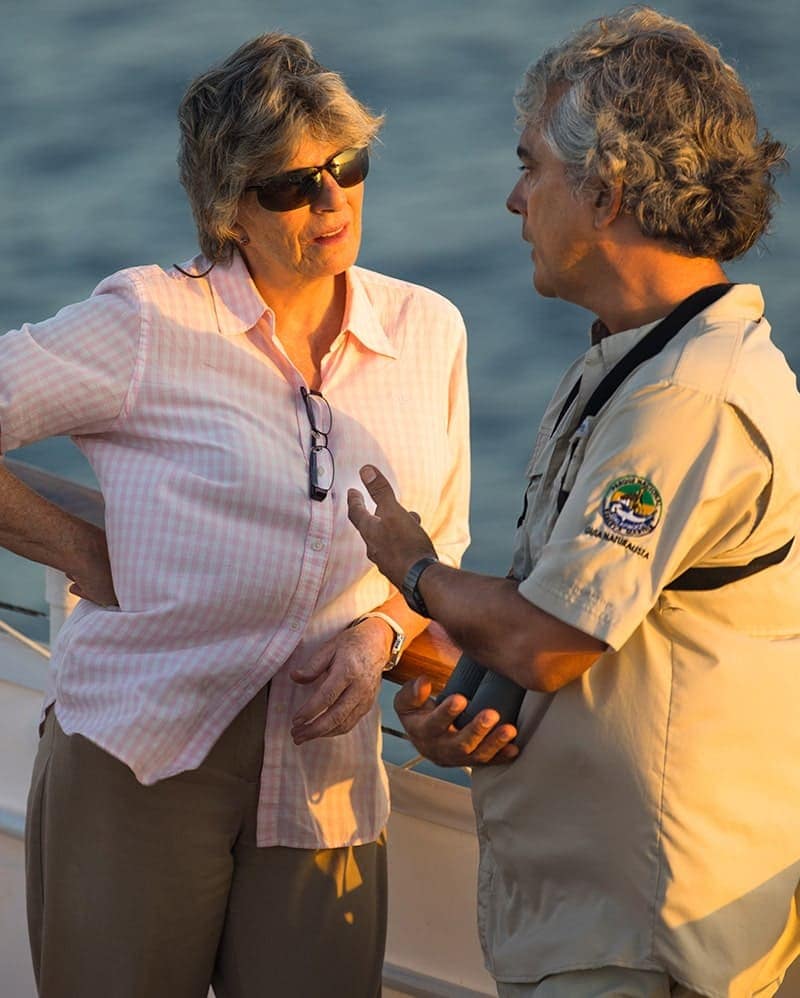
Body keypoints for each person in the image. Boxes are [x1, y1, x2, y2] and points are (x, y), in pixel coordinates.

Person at [0, 32, 470, 998]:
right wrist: (84, 549)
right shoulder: (146, 322)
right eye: (291, 186)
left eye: (347, 167)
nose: (331, 199)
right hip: (140, 754)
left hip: (324, 768)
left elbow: (444, 541)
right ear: (229, 210)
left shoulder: (429, 330)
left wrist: (382, 636)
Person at [347, 8, 800, 997]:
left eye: (529, 167)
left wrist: (412, 569)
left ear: (606, 189)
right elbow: (557, 614)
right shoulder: (627, 362)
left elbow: (550, 639)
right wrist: (460, 706)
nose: (514, 200)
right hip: (589, 918)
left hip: (649, 932)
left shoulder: (687, 394)